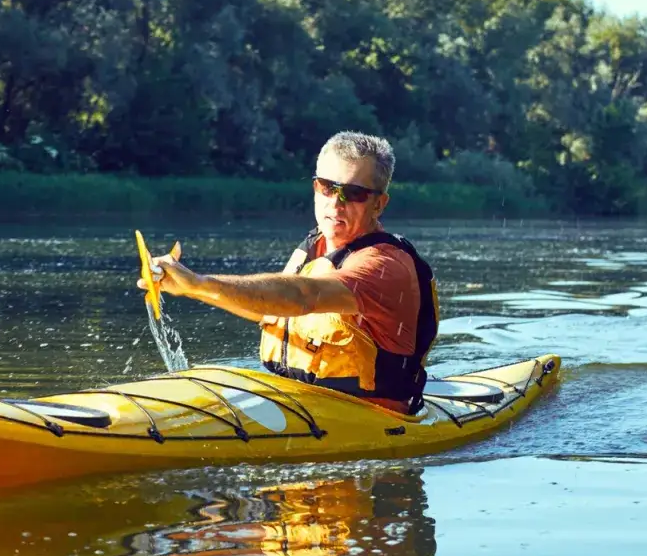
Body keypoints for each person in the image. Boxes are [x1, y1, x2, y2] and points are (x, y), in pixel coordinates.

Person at [138, 131, 439, 413]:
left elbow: (303, 296)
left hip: (372, 414)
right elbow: (273, 311)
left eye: (354, 193)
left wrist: (201, 283)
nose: (335, 203)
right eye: (327, 187)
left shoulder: (384, 265)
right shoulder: (315, 247)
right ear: (315, 188)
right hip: (302, 401)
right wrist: (191, 289)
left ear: (379, 205)